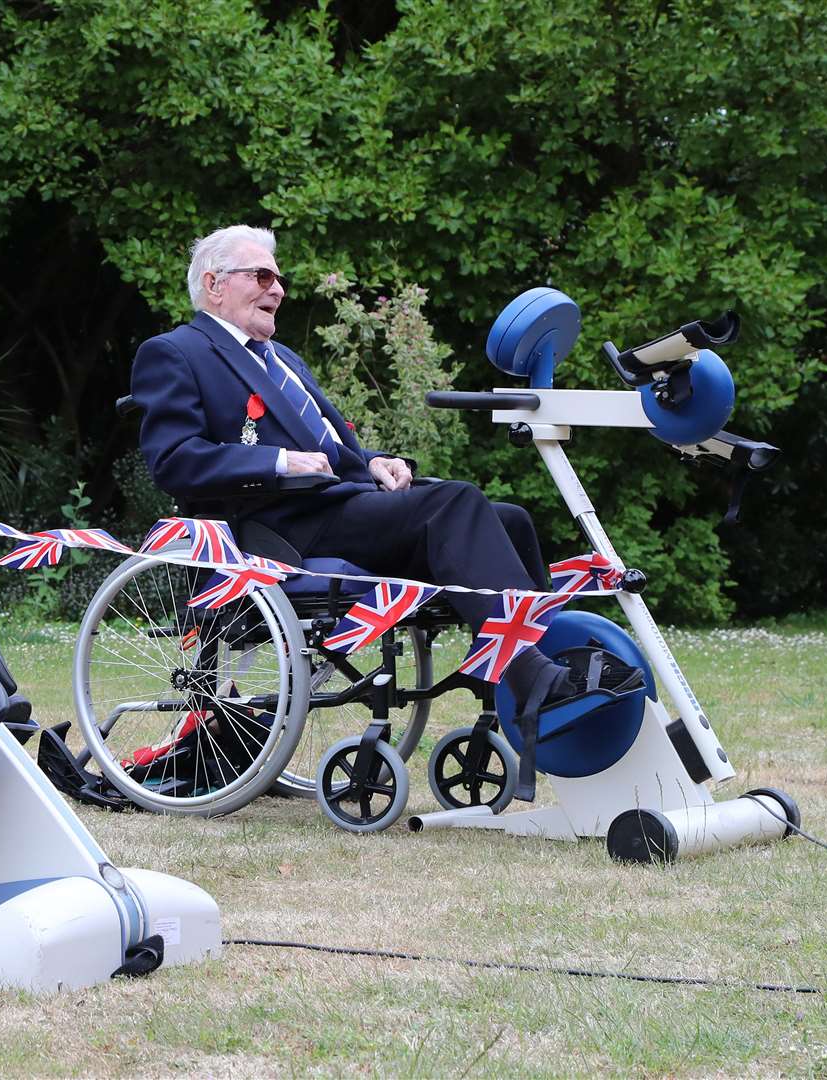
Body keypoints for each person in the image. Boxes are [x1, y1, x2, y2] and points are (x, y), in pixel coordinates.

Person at [131, 225, 639, 793]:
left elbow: (332, 449)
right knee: (456, 502)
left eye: (280, 278)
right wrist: (278, 462)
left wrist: (374, 461)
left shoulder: (282, 357)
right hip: (282, 529)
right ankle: (529, 675)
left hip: (346, 506)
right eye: (263, 276)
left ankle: (524, 671)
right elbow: (174, 460)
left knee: (510, 519)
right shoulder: (177, 352)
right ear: (214, 284)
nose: (278, 289)